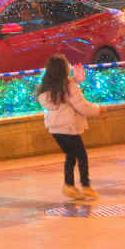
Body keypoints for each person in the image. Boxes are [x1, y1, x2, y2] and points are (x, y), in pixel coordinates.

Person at [37, 54, 104, 201]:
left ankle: (69, 186)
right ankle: (85, 187)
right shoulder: (68, 87)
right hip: (68, 127)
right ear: (64, 70)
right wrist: (98, 111)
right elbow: (82, 106)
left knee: (71, 155)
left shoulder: (45, 90)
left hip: (55, 130)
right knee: (81, 155)